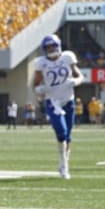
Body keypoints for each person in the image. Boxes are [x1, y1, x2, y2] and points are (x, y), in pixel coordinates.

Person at [32, 34, 84, 180]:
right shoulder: (41, 63)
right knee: (61, 133)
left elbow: (79, 75)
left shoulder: (67, 57)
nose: (50, 49)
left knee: (68, 135)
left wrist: (76, 81)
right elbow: (35, 84)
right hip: (53, 101)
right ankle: (64, 166)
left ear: (58, 46)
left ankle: (63, 162)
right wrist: (39, 90)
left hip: (69, 100)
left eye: (52, 46)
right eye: (47, 47)